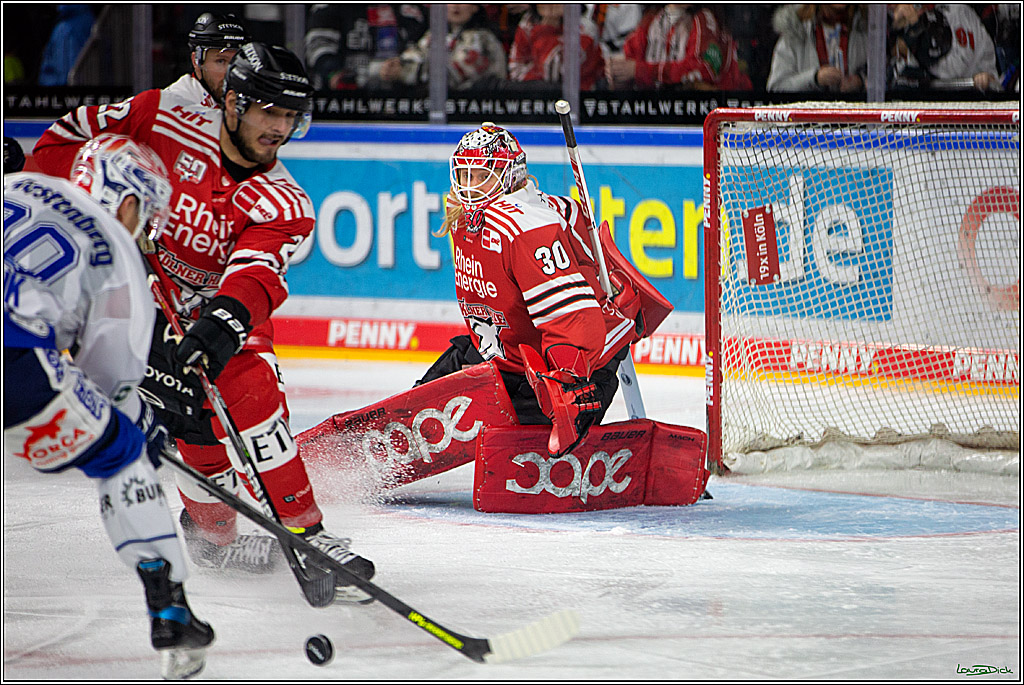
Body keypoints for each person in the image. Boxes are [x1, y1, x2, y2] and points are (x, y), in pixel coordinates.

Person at [32, 43, 375, 601]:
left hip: (216, 312)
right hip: (143, 299)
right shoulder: (161, 117)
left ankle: (306, 534)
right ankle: (212, 534)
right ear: (234, 103)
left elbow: (256, 274)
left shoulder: (283, 199)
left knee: (251, 388)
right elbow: (73, 135)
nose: (280, 128)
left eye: (290, 116)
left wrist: (221, 324)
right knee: (191, 425)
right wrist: (33, 181)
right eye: (270, 111)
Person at [4, 134, 214, 680]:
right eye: (145, 216)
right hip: (13, 358)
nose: (143, 231)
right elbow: (110, 391)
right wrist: (144, 429)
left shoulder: (21, 184)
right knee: (120, 452)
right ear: (128, 202)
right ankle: (170, 607)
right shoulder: (118, 252)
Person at [418, 123, 648, 455]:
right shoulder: (466, 220)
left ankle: (575, 405)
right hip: (506, 356)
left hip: (562, 371)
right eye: (464, 176)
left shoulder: (527, 226)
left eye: (480, 176)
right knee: (423, 398)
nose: (469, 188)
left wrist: (567, 385)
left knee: (534, 441)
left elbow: (573, 319)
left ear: (510, 175)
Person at [608, 4, 752, 90]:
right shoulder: (651, 19)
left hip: (712, 119)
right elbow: (629, 61)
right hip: (660, 114)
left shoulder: (706, 18)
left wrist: (641, 71)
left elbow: (703, 70)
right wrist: (618, 72)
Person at [304, 4, 428, 90]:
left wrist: (405, 66)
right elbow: (319, 49)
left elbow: (422, 47)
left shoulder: (410, 10)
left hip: (401, 101)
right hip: (345, 102)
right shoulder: (330, 8)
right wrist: (336, 75)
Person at [888, 4, 1000, 92]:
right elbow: (892, 65)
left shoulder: (958, 11)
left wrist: (918, 26)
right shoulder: (900, 12)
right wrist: (898, 30)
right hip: (919, 98)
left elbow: (955, 70)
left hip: (970, 97)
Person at [398, 4, 507, 91]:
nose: (455, 5)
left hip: (480, 107)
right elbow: (411, 56)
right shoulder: (434, 35)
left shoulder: (484, 39)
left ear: (475, 7)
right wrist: (394, 67)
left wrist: (402, 72)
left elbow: (450, 77)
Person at [766, 4, 868, 93]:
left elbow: (881, 83)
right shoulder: (795, 30)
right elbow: (776, 88)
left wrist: (861, 82)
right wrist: (814, 78)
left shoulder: (866, 29)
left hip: (852, 112)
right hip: (807, 114)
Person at [508, 4, 606, 91]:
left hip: (578, 100)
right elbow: (516, 72)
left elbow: (555, 76)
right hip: (534, 99)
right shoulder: (528, 23)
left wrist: (547, 29)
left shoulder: (585, 29)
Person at [166, 11, 250, 107]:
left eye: (237, 61)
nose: (231, 73)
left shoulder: (248, 100)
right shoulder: (174, 103)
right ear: (196, 61)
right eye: (221, 61)